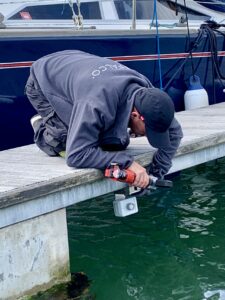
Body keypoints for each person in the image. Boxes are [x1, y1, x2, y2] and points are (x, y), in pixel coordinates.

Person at [25, 50, 183, 189]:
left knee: (112, 145)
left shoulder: (151, 99)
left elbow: (175, 134)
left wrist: (155, 174)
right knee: (65, 143)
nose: (149, 136)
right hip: (44, 80)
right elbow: (76, 156)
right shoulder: (96, 103)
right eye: (149, 131)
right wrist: (128, 163)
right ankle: (45, 128)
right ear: (135, 115)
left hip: (78, 68)